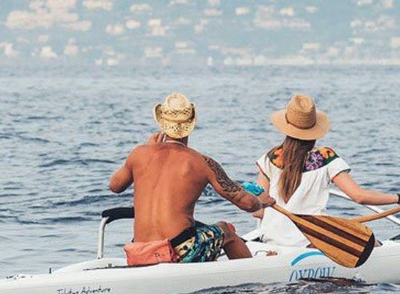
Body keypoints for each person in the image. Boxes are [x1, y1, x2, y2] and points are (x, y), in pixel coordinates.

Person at [109, 93, 275, 265]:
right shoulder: (201, 162)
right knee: (226, 231)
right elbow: (247, 204)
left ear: (162, 123)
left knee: (197, 228)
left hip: (139, 250)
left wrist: (148, 148)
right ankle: (249, 276)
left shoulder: (139, 153)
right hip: (178, 251)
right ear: (192, 123)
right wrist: (260, 201)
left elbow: (115, 186)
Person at [250, 94, 400, 247]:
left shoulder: (269, 157)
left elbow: (258, 211)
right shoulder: (325, 157)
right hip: (309, 242)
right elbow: (359, 197)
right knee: (373, 244)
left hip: (270, 240)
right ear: (314, 129)